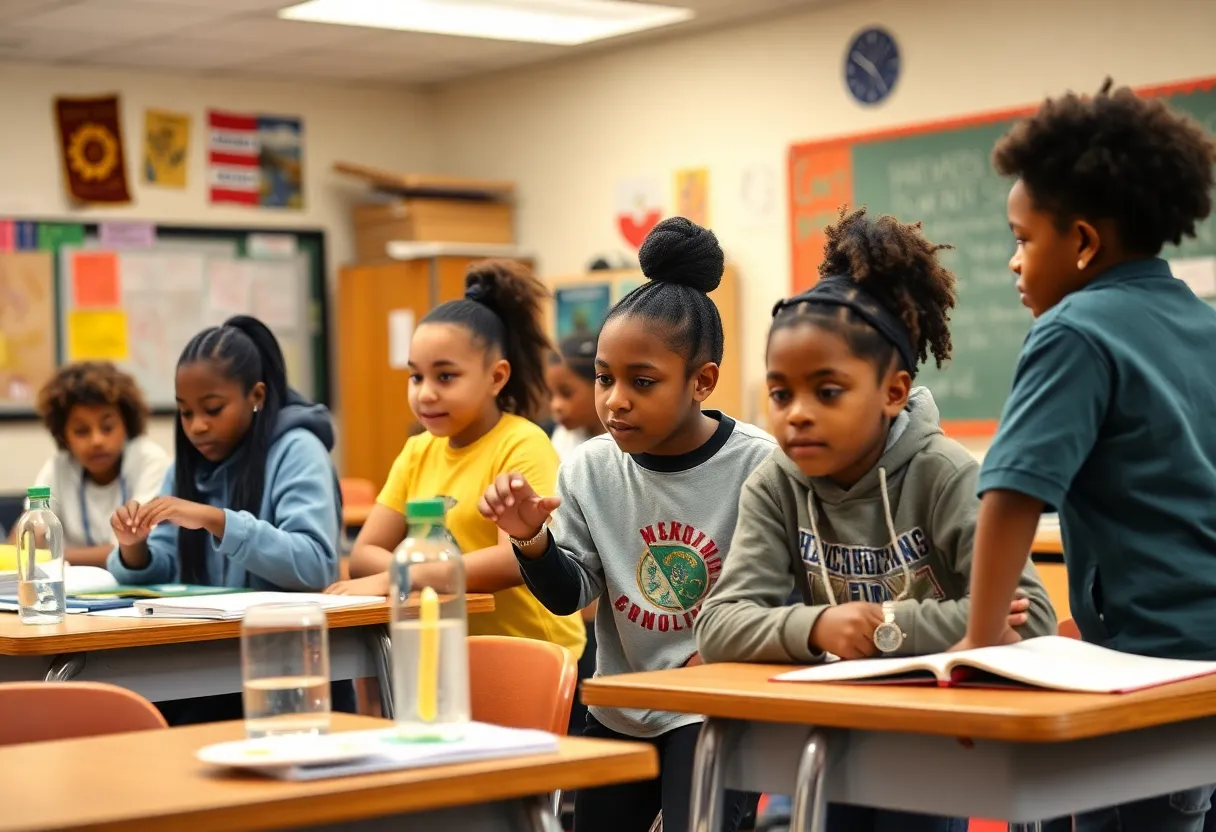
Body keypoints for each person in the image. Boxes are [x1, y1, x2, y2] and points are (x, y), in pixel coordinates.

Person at [696, 207, 1055, 832]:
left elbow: (1032, 619)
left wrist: (883, 628)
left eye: (827, 391)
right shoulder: (776, 481)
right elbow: (721, 625)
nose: (797, 415)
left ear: (893, 392)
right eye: (781, 394)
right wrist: (820, 626)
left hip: (940, 741)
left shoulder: (942, 474)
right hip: (833, 734)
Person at [954, 80, 1216, 831]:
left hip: (1145, 675)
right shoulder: (1203, 324)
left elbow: (1009, 495)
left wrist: (979, 651)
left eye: (1023, 238)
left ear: (1083, 243)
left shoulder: (1074, 331)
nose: (1011, 262)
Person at [479, 218, 774, 832]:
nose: (615, 400)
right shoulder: (588, 469)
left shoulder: (759, 465)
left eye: (642, 383)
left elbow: (783, 593)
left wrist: (721, 653)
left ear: (702, 381)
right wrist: (531, 541)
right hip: (622, 707)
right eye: (604, 378)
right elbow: (569, 596)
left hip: (716, 707)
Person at [326, 260, 585, 659]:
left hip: (537, 659)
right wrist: (419, 574)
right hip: (450, 656)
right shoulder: (418, 450)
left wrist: (402, 575)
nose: (425, 393)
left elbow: (513, 559)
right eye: (416, 376)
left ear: (496, 377)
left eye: (445, 376)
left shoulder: (522, 443)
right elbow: (363, 554)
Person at [107, 315, 345, 724]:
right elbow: (167, 565)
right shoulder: (185, 466)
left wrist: (219, 521)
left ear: (256, 395)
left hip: (288, 668)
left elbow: (315, 565)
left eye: (213, 409)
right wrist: (134, 547)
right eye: (185, 413)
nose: (197, 426)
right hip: (202, 664)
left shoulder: (297, 451)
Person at [27, 362, 169, 566]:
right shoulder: (59, 465)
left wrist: (48, 557)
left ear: (126, 425)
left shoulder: (149, 460)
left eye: (108, 427)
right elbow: (31, 530)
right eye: (81, 431)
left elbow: (132, 550)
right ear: (63, 436)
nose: (97, 441)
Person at [546, 331, 605, 461]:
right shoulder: (563, 437)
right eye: (550, 395)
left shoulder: (625, 444)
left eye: (566, 393)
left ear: (599, 384)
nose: (555, 406)